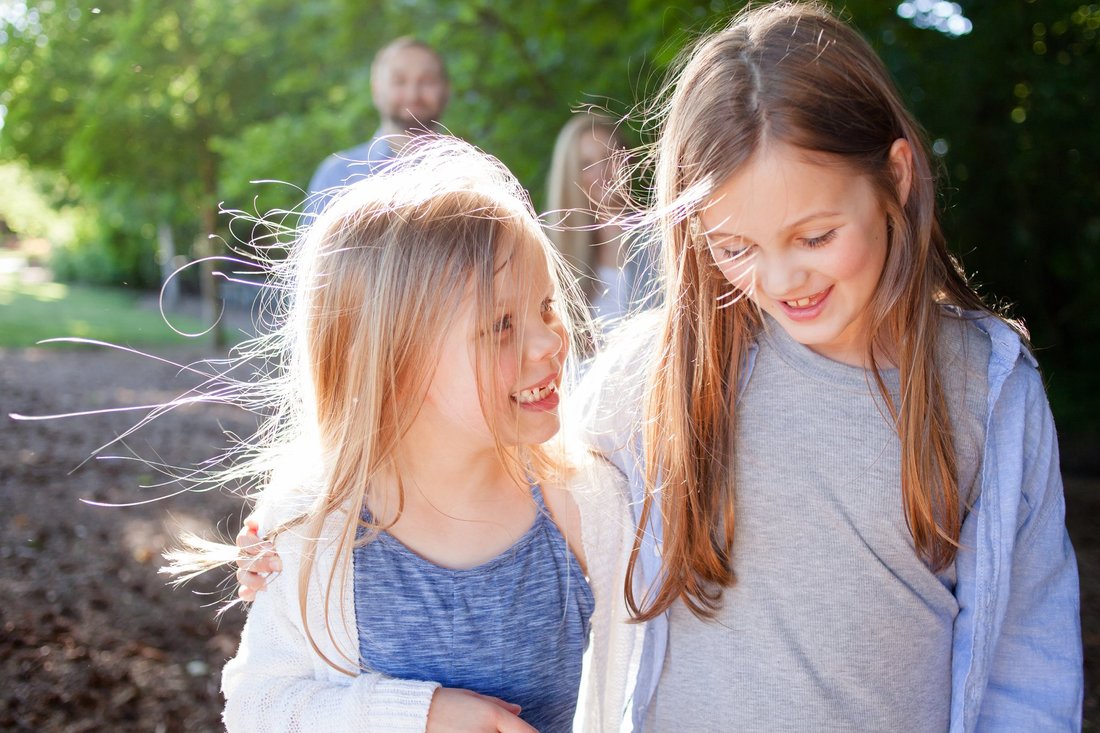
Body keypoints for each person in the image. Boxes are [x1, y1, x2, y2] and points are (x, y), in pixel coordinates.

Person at [239, 3, 1083, 730]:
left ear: (894, 176)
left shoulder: (990, 386)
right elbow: (489, 456)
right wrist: (310, 515)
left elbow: (1029, 660)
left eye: (816, 236)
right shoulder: (658, 373)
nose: (782, 279)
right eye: (736, 247)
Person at [169, 136, 633, 732]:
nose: (549, 342)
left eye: (545, 306)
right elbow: (259, 708)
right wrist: (420, 717)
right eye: (501, 326)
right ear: (395, 363)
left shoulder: (588, 502)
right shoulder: (316, 530)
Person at [306, 37, 450, 213]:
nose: (413, 94)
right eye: (399, 81)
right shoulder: (338, 177)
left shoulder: (469, 176)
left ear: (445, 89)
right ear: (376, 90)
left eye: (426, 81)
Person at [545, 112, 657, 322]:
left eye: (609, 157)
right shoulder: (556, 261)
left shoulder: (660, 237)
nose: (602, 172)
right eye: (587, 164)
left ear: (627, 160)